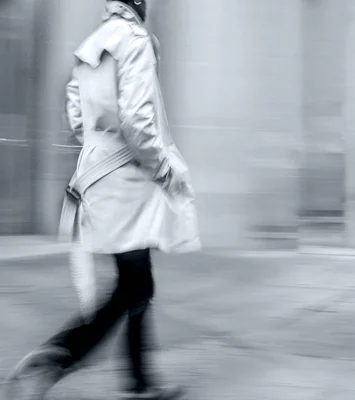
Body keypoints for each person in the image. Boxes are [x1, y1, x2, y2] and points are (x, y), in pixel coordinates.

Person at [5, 1, 200, 399]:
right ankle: (57, 356)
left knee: (137, 283)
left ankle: (139, 382)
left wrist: (98, 143)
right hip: (129, 178)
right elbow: (139, 120)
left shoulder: (94, 42)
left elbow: (75, 110)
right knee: (132, 287)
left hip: (99, 173)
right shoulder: (135, 41)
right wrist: (164, 171)